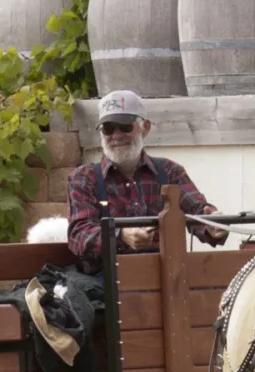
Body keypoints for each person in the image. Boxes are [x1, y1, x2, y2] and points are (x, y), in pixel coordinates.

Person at [64, 90, 228, 272]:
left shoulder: (170, 171)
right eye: (108, 128)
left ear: (145, 127)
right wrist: (121, 236)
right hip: (105, 286)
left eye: (125, 126)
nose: (117, 135)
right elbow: (79, 234)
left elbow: (198, 211)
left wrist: (213, 225)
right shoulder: (84, 178)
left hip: (168, 280)